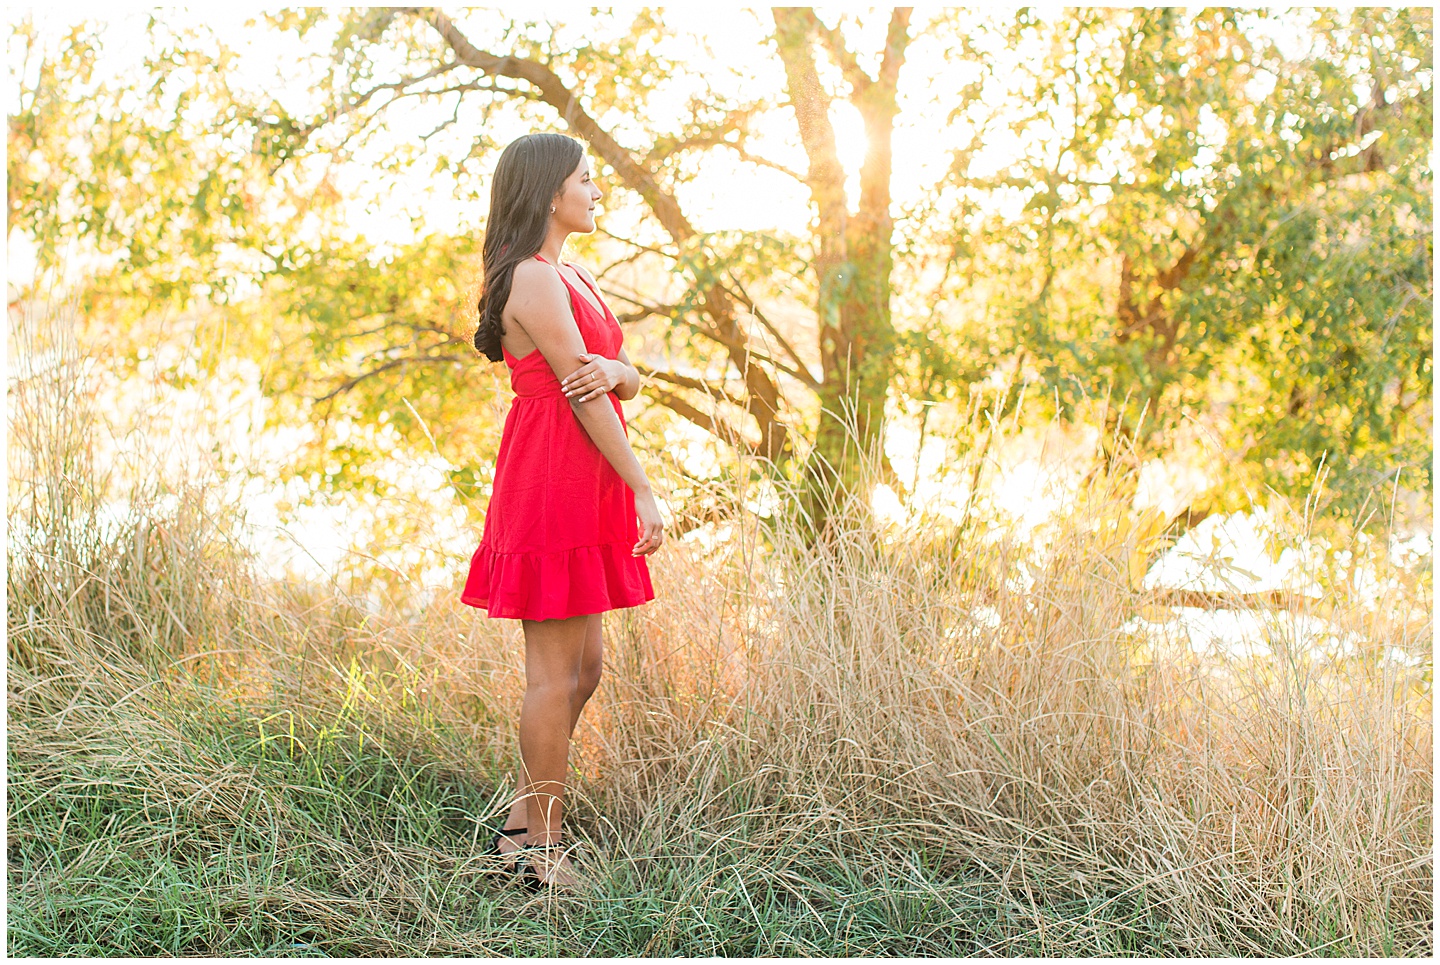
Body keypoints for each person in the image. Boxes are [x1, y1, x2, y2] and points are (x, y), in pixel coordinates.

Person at [460, 132, 664, 891]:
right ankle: (541, 851)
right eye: (586, 179)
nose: (596, 189)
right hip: (552, 477)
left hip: (585, 475)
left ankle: (520, 820)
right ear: (550, 192)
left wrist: (622, 370)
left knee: (585, 670)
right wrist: (642, 484)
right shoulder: (533, 281)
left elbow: (614, 378)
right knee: (553, 674)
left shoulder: (569, 271)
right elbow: (586, 396)